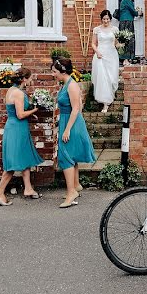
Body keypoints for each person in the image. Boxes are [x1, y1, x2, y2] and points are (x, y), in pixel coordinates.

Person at [0, 68, 43, 206]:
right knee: (13, 163)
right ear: (24, 79)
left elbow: (15, 112)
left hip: (14, 126)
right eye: (30, 78)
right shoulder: (19, 93)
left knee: (24, 157)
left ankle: (28, 189)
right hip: (17, 129)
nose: (31, 80)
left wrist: (30, 114)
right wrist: (35, 109)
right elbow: (20, 114)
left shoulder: (11, 90)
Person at [52, 58, 96, 208]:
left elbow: (77, 108)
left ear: (62, 71)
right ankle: (76, 185)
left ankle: (71, 192)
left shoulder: (72, 86)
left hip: (71, 123)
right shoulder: (66, 84)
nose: (54, 74)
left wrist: (68, 129)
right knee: (71, 155)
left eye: (55, 72)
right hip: (69, 121)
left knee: (65, 157)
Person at [91, 9, 120, 113]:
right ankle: (105, 104)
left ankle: (111, 95)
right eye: (104, 19)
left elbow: (116, 43)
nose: (106, 21)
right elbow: (93, 43)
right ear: (101, 19)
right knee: (103, 79)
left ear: (110, 19)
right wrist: (97, 52)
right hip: (100, 55)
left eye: (107, 19)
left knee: (111, 78)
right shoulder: (96, 29)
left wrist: (122, 44)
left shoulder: (115, 29)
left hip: (112, 55)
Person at [116, 0, 140, 64]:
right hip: (127, 22)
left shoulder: (126, 0)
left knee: (125, 39)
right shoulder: (127, 0)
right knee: (127, 40)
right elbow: (133, 12)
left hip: (125, 21)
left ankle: (125, 59)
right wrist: (138, 12)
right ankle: (125, 60)